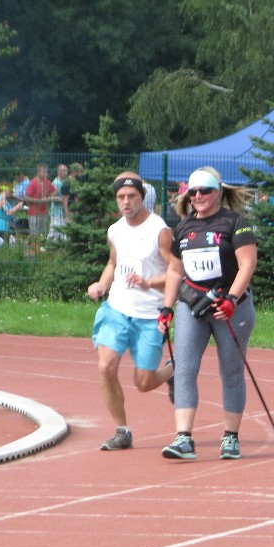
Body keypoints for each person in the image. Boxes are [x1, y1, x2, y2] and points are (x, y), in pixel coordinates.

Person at [156, 166, 257, 461]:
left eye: (205, 191)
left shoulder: (234, 222)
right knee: (184, 368)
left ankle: (230, 438)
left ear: (218, 193)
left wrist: (232, 299)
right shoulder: (184, 227)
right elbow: (175, 270)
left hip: (229, 306)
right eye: (194, 191)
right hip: (193, 305)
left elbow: (247, 264)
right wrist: (166, 308)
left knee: (231, 370)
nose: (198, 196)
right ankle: (183, 438)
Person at [87, 172, 176, 451]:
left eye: (131, 197)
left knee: (144, 382)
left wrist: (149, 282)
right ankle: (122, 431)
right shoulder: (115, 230)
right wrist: (101, 284)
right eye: (121, 197)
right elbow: (113, 263)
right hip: (116, 310)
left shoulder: (159, 230)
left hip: (149, 315)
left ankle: (172, 372)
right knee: (105, 367)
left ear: (142, 197)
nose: (126, 202)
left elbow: (176, 270)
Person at [22, 163, 56, 254]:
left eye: (46, 172)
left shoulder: (46, 182)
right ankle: (34, 250)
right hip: (33, 212)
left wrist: (49, 198)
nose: (45, 174)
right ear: (38, 172)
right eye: (43, 172)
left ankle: (40, 249)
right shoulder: (33, 182)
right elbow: (26, 197)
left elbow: (54, 191)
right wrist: (36, 201)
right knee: (34, 232)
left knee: (43, 232)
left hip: (43, 212)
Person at [49, 163, 71, 241]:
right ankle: (47, 248)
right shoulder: (56, 182)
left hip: (64, 212)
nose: (65, 172)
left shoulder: (66, 182)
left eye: (66, 170)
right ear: (58, 171)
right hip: (56, 212)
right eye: (63, 170)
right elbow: (52, 196)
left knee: (63, 233)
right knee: (54, 232)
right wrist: (63, 199)